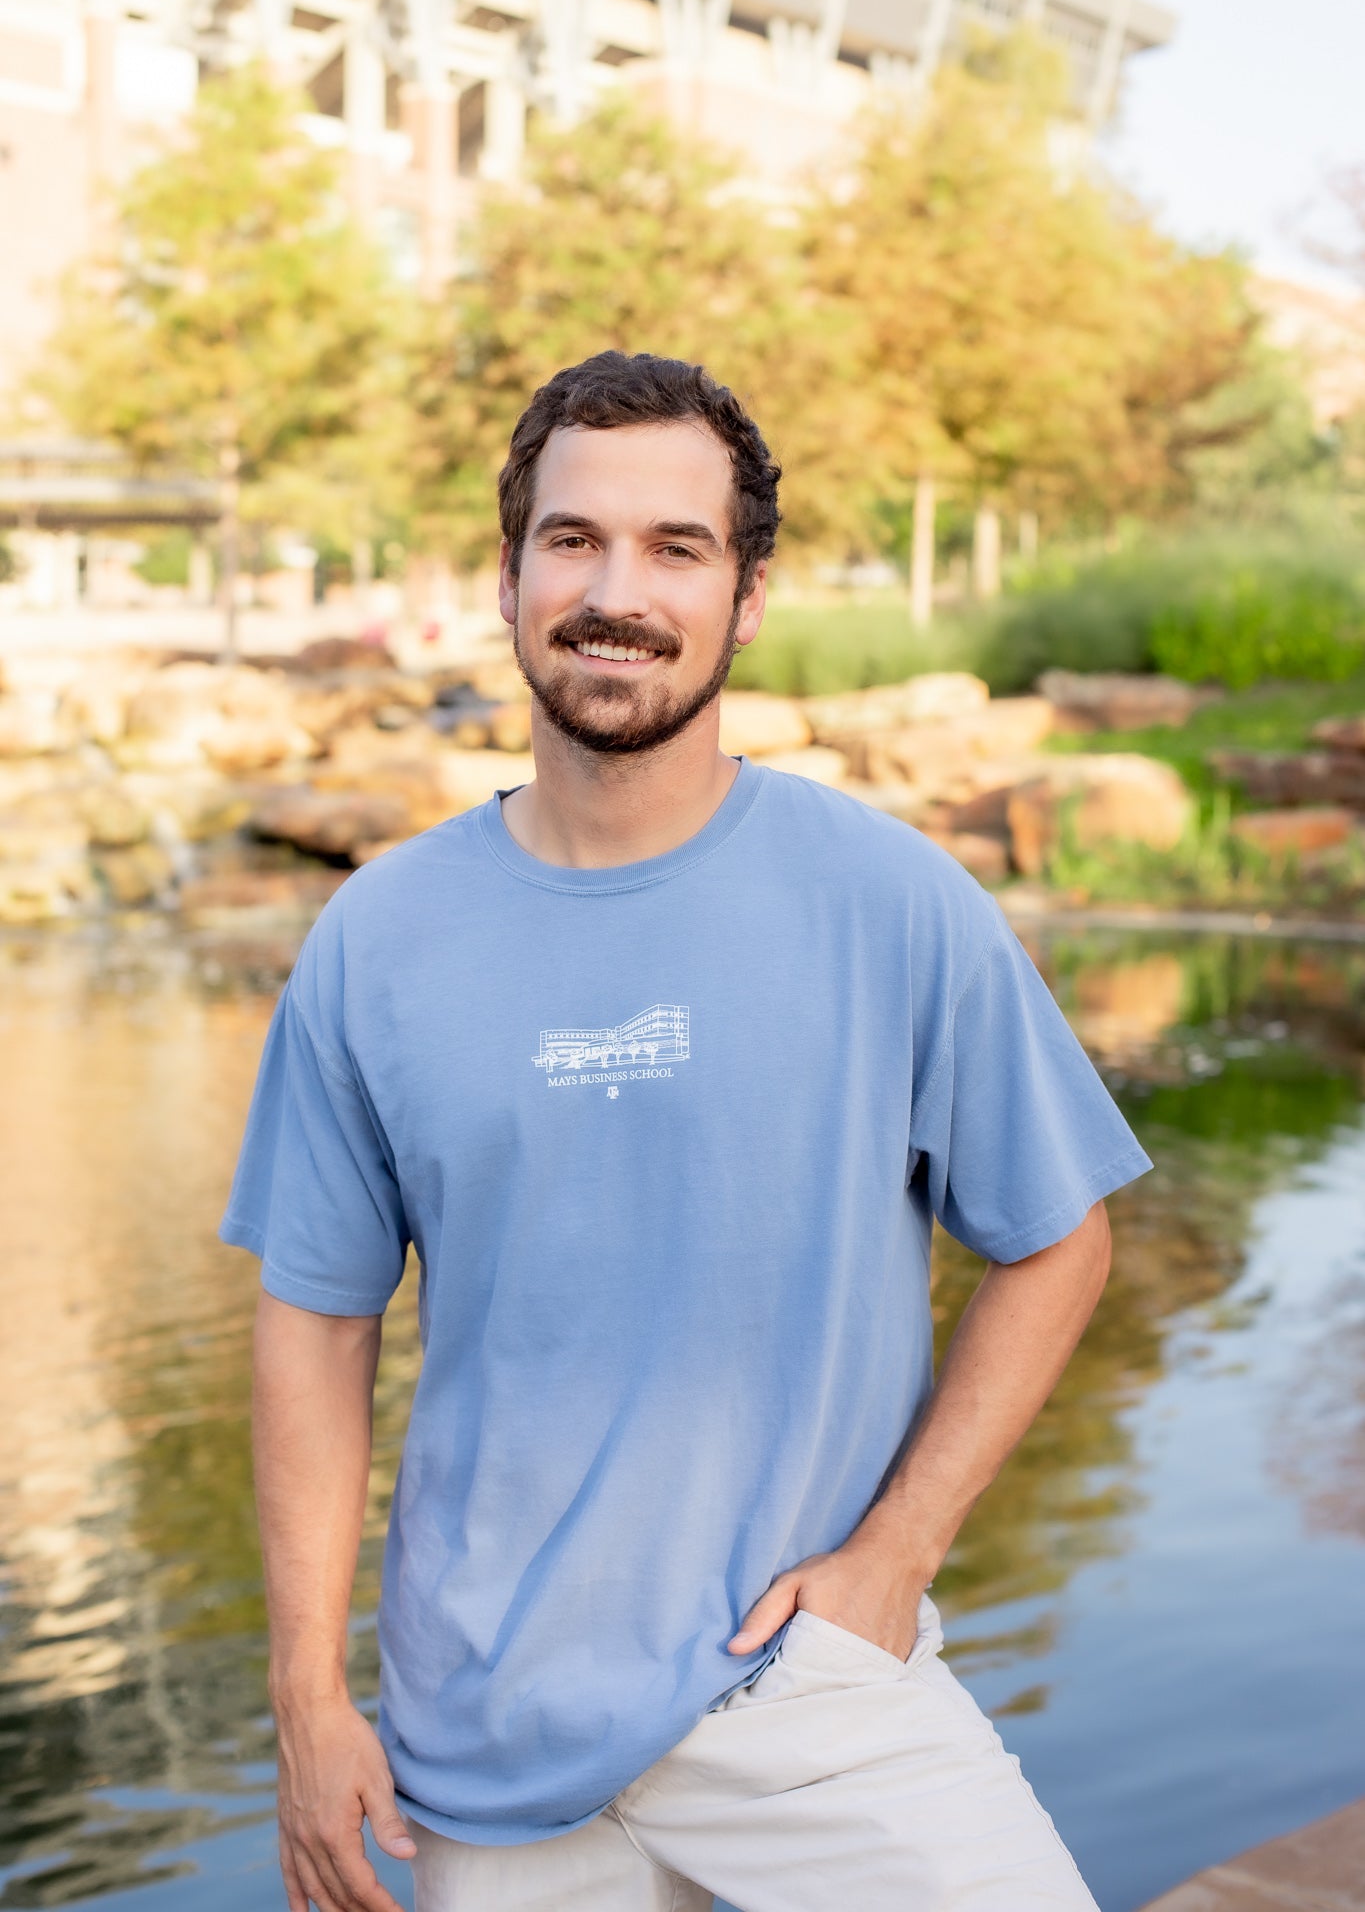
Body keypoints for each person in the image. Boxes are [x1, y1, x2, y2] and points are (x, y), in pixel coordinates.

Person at [221, 350, 1152, 1912]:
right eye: (572, 540)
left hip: (810, 1693)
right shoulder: (376, 942)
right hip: (483, 1739)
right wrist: (309, 1705)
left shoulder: (889, 901)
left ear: (748, 593)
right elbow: (312, 1326)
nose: (616, 591)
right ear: (508, 576)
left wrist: (897, 1554)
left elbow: (1059, 1239)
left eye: (676, 548)